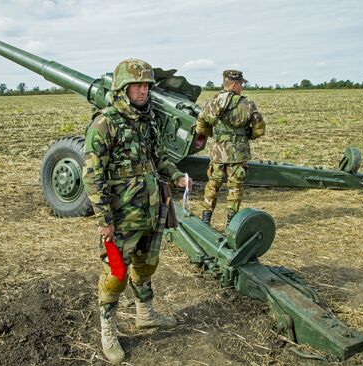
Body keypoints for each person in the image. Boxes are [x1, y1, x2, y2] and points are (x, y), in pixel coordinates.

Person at [82, 58, 192, 363]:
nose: (143, 91)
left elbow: (160, 159)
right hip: (121, 216)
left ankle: (145, 313)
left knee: (147, 264)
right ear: (122, 87)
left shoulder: (150, 120)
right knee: (116, 272)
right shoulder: (104, 123)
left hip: (151, 210)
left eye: (146, 85)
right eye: (138, 85)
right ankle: (108, 330)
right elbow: (92, 175)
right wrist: (104, 220)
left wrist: (177, 176)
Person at [195, 70, 265, 227]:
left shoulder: (210, 103)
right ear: (234, 84)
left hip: (218, 153)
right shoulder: (247, 104)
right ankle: (230, 223)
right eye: (241, 84)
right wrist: (245, 137)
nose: (242, 87)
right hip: (238, 154)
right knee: (234, 189)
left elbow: (200, 128)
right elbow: (259, 129)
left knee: (212, 185)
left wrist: (219, 137)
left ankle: (205, 220)